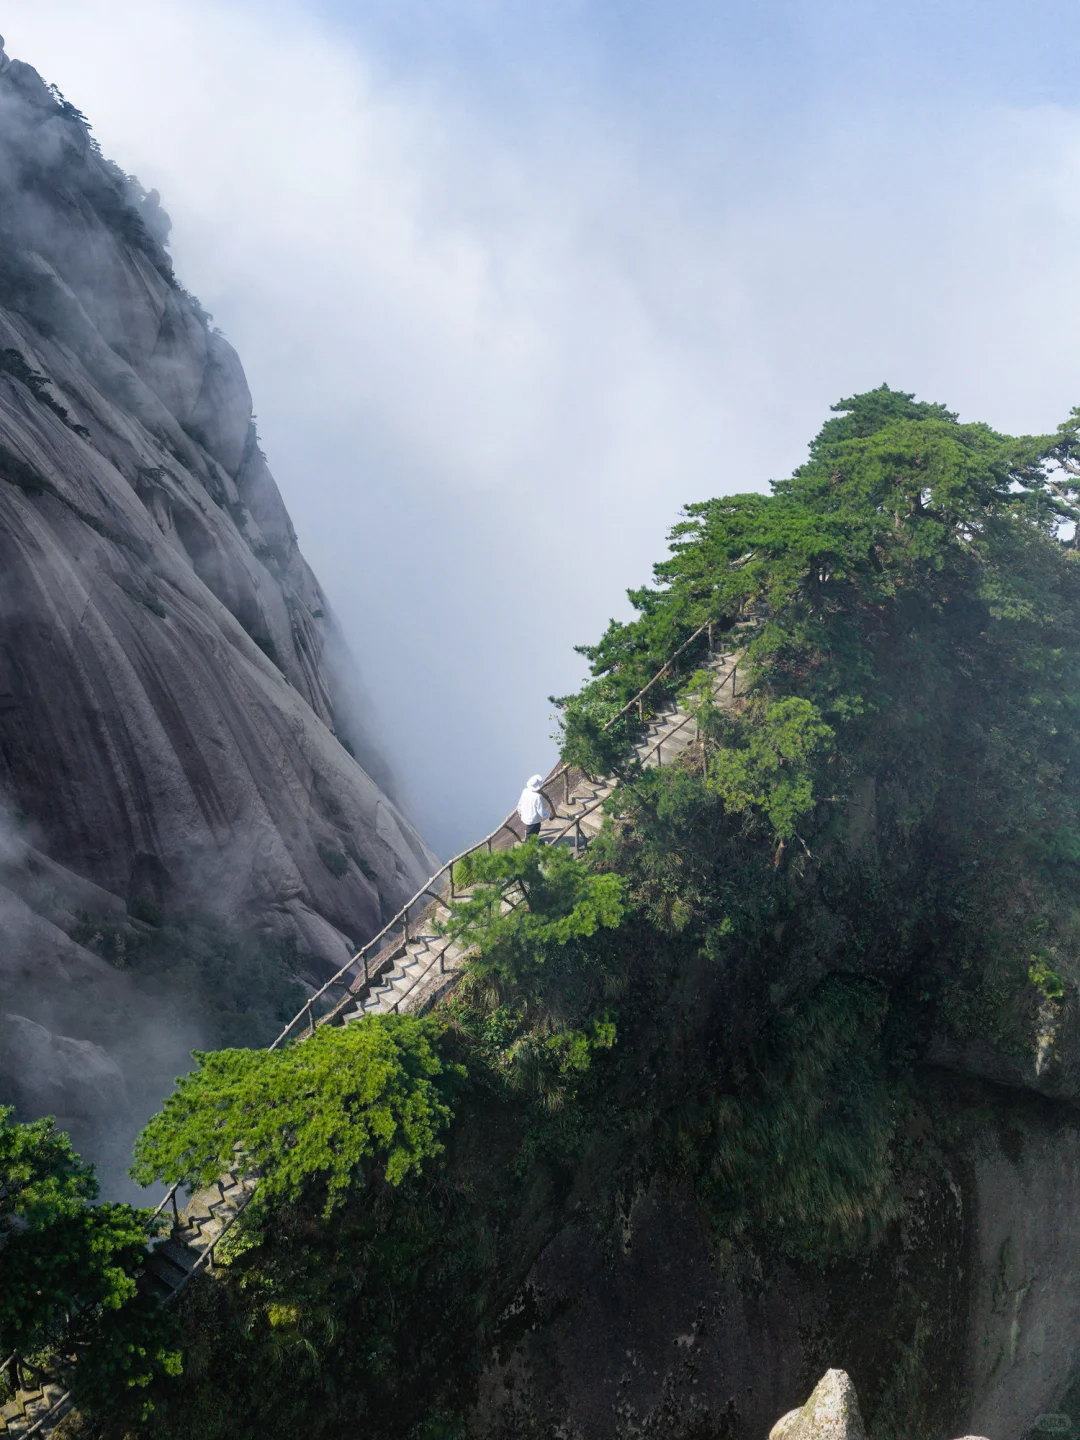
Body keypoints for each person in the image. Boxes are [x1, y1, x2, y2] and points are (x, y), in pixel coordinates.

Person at [517, 774, 551, 840]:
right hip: (533, 820)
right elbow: (541, 812)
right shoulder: (537, 797)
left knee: (529, 832)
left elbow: (520, 804)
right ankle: (529, 848)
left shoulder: (525, 791)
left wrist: (519, 812)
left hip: (525, 817)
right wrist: (549, 815)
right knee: (531, 836)